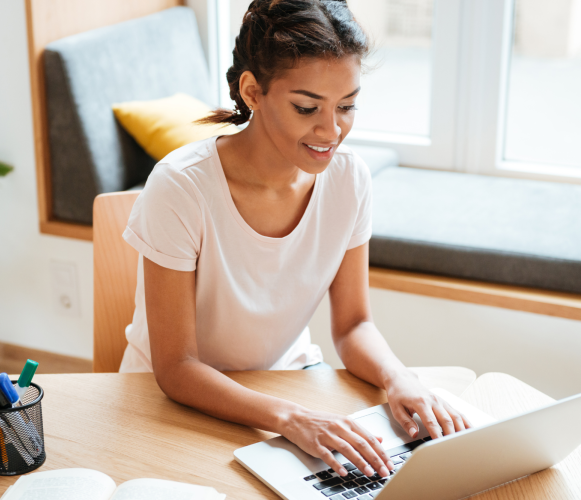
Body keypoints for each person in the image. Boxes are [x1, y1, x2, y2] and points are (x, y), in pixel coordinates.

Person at [120, 0, 470, 479]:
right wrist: (291, 419)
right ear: (253, 91)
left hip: (285, 384)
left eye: (347, 106)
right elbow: (177, 366)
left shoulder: (350, 180)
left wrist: (400, 380)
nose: (332, 131)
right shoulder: (181, 186)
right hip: (172, 401)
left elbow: (352, 326)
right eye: (307, 108)